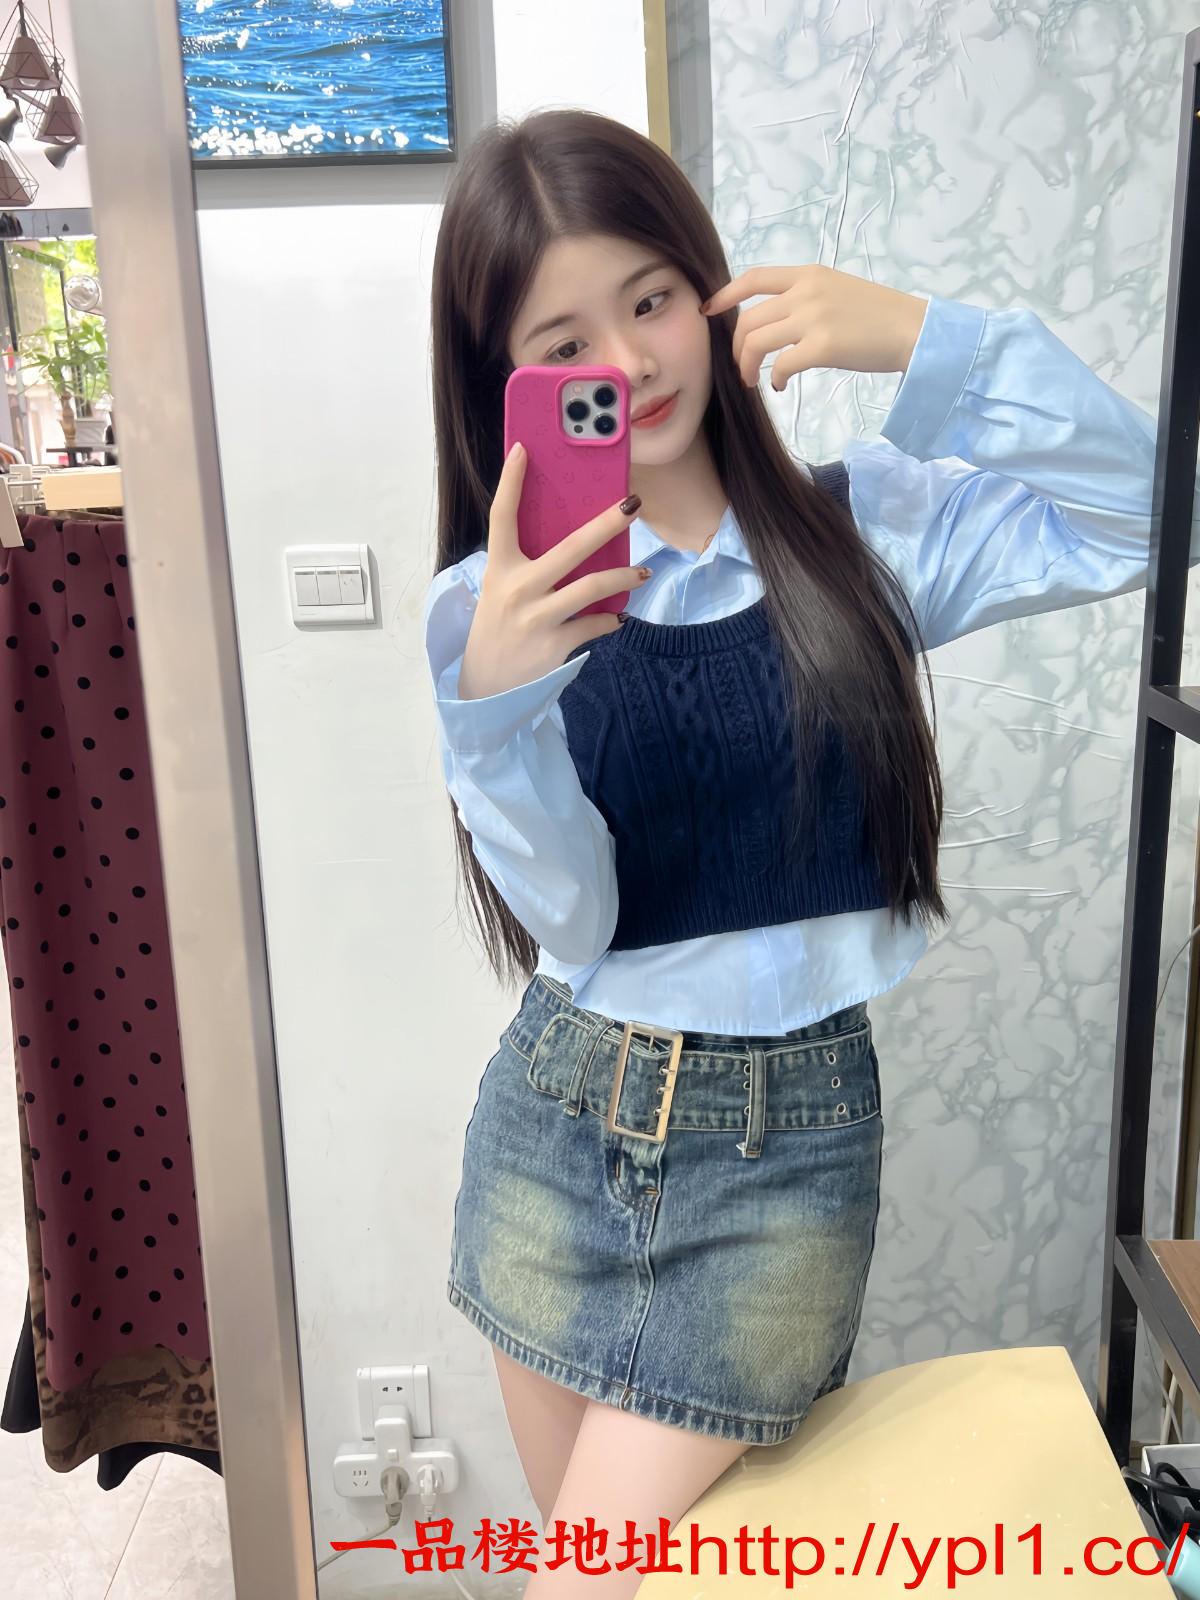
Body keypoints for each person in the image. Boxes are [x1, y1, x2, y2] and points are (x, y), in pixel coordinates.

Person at [423, 107, 1189, 1597]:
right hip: (554, 1130)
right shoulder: (487, 610)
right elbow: (574, 918)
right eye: (566, 343)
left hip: (781, 1161)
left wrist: (936, 343)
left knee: (580, 1578)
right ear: (508, 383)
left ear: (709, 289)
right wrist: (497, 715)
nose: (630, 364)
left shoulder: (863, 535)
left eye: (652, 300)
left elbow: (1158, 515)